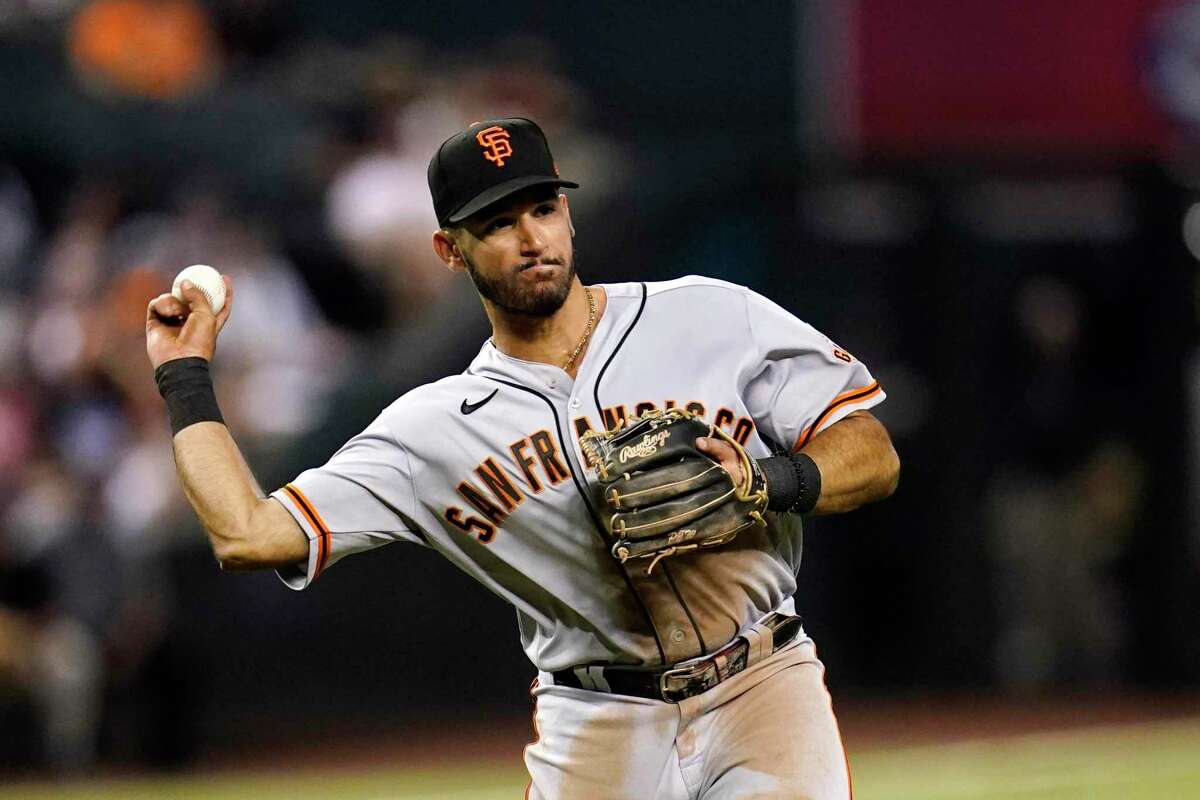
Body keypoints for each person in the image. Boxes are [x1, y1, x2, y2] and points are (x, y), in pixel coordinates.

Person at [145, 117, 899, 799]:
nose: (532, 237)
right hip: (597, 721)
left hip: (762, 684)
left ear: (568, 212)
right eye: (498, 222)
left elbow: (870, 451)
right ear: (450, 250)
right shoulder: (428, 431)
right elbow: (247, 534)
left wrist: (769, 482)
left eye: (542, 208)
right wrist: (184, 376)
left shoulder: (708, 313)